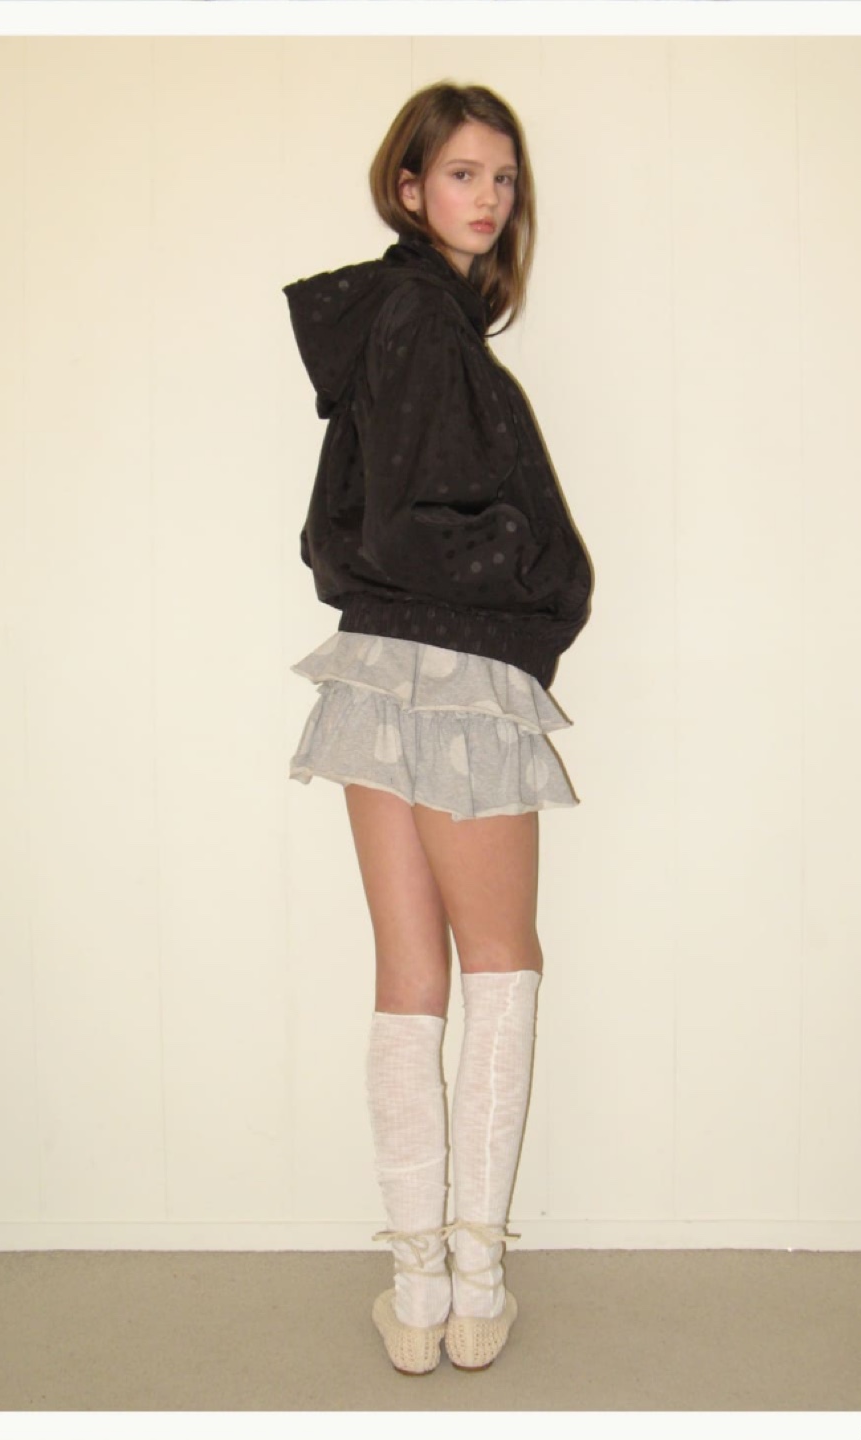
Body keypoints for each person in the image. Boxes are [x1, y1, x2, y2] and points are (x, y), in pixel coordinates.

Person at [282, 81, 593, 1375]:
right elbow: (425, 515)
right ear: (407, 187)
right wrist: (548, 573)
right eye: (463, 173)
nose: (489, 198)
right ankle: (473, 1283)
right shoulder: (423, 322)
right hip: (452, 668)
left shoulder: (389, 321)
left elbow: (347, 523)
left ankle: (418, 1296)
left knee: (411, 978)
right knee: (502, 965)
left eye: (503, 177)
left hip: (377, 666)